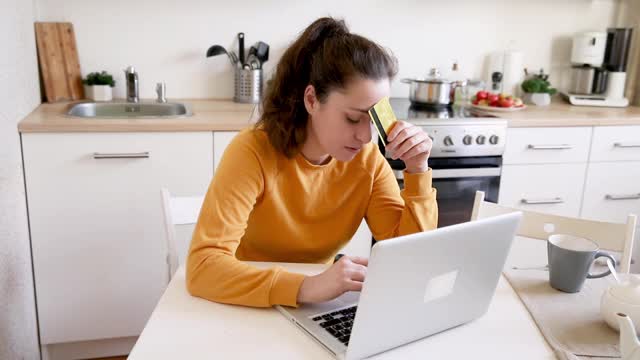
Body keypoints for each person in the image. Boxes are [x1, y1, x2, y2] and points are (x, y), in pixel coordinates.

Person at [186, 17, 438, 308]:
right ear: (311, 99)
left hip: (317, 304)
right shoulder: (252, 152)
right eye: (353, 118)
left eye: (373, 121)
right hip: (245, 300)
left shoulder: (368, 162)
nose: (366, 137)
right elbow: (203, 268)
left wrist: (417, 170)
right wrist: (306, 287)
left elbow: (410, 259)